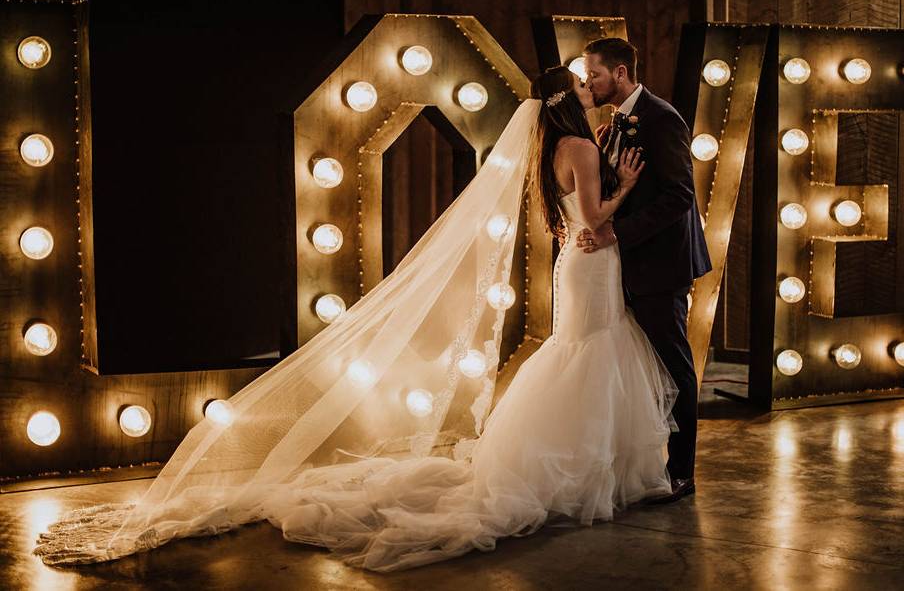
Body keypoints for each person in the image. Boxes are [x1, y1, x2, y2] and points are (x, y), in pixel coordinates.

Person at [35, 67, 678, 572]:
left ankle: (576, 464)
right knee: (590, 353)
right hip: (592, 263)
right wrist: (622, 184)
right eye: (582, 85)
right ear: (568, 99)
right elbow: (595, 222)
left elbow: (573, 222)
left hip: (577, 264)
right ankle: (586, 471)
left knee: (581, 352)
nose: (591, 90)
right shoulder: (583, 149)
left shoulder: (547, 146)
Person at [577, 38, 712, 502]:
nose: (587, 83)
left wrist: (617, 232)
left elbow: (679, 196)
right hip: (628, 267)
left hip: (660, 265)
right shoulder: (612, 125)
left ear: (619, 73)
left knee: (675, 367)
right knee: (641, 368)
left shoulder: (660, 118)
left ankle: (682, 472)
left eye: (593, 74)